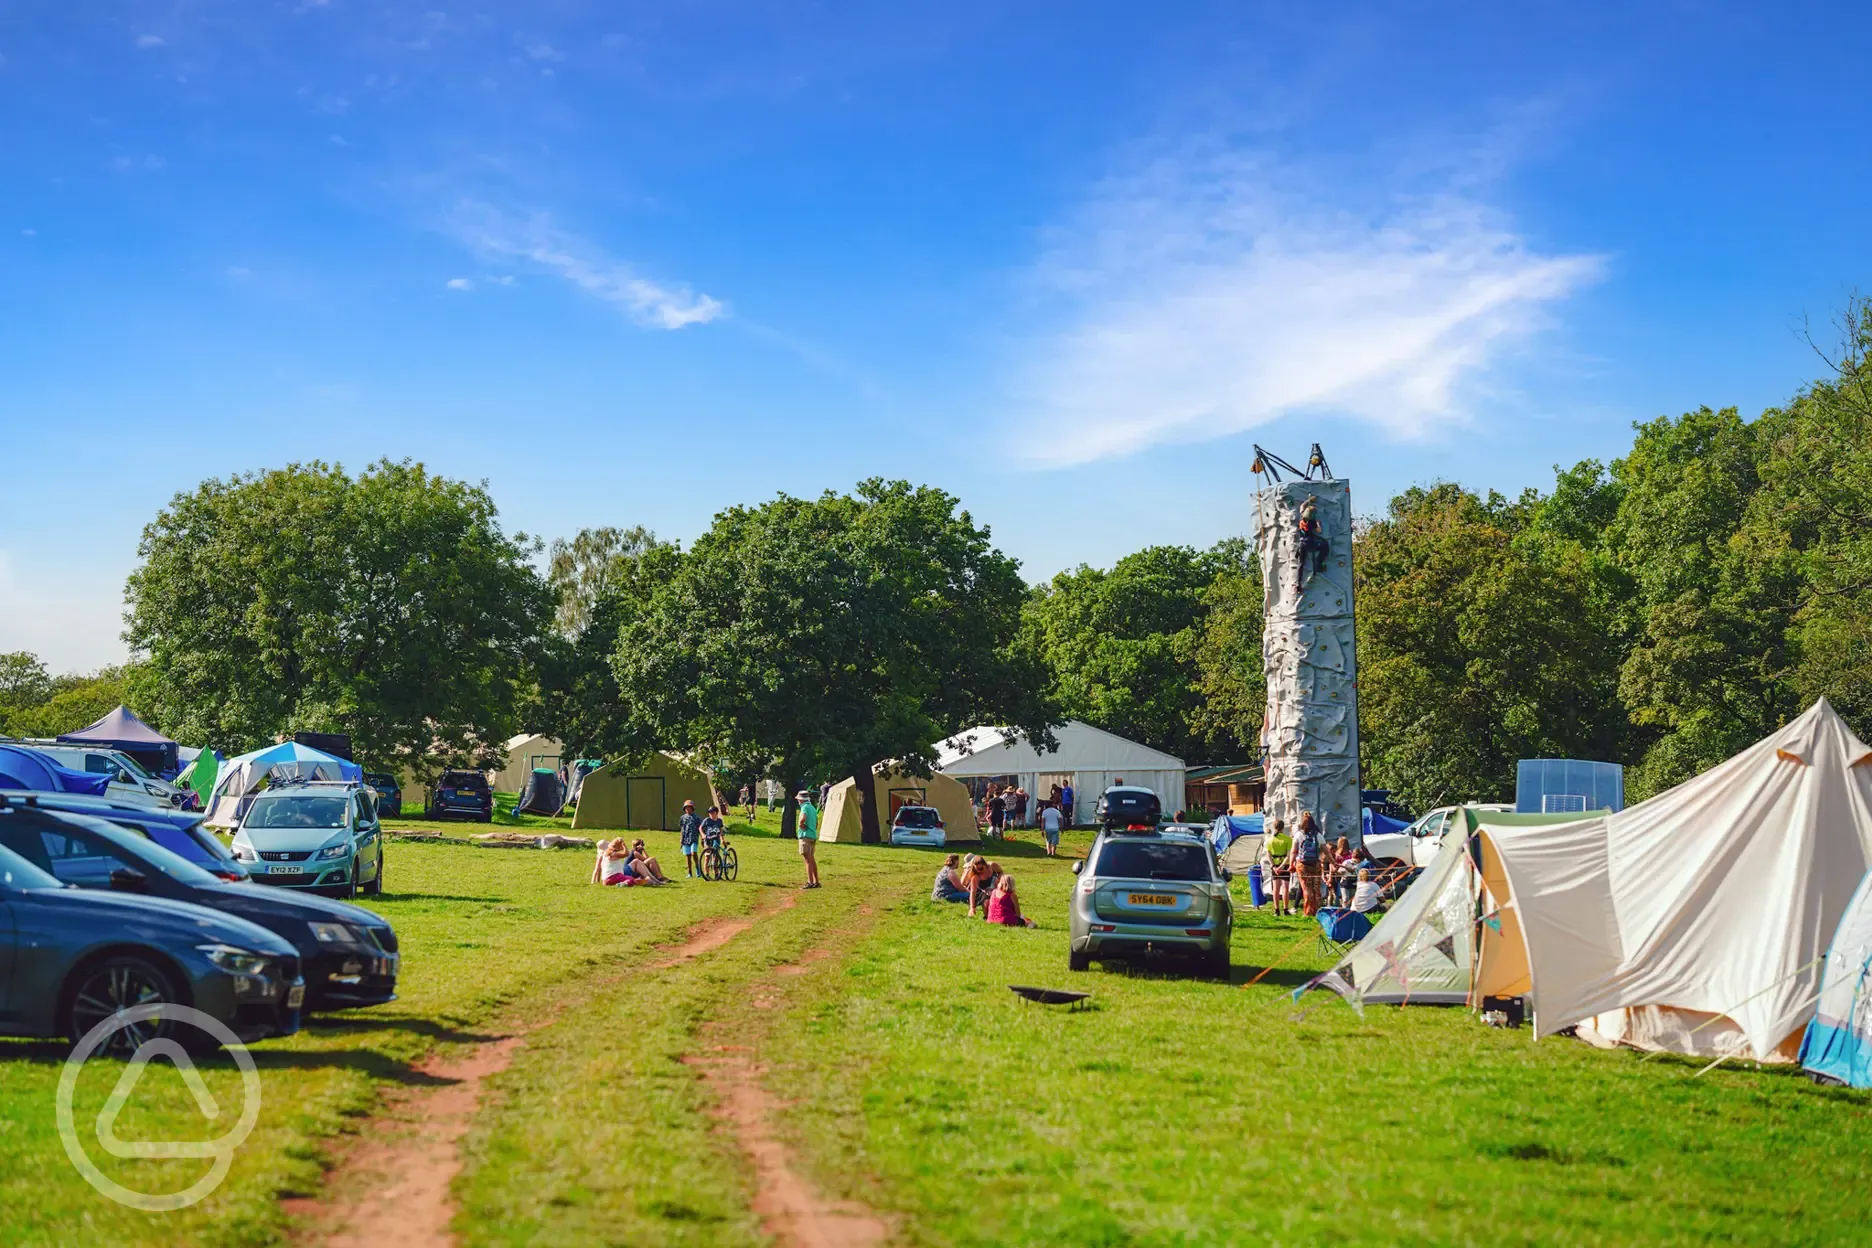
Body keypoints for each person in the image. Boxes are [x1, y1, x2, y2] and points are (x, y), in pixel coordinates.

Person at [1295, 812, 1326, 917]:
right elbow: (1326, 851)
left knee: (1307, 889)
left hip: (1302, 865)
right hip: (1316, 864)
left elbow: (1293, 851)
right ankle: (1318, 911)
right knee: (1316, 888)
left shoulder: (1299, 835)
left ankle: (1308, 912)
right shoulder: (1318, 835)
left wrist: (1291, 864)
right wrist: (1333, 862)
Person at [1263, 818, 1292, 916]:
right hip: (1284, 864)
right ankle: (1286, 909)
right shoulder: (1288, 839)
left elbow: (1268, 854)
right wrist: (1282, 865)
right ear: (1283, 828)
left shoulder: (1269, 840)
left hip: (1274, 864)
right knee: (1286, 888)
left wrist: (1273, 866)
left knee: (1275, 888)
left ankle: (1276, 910)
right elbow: (1289, 855)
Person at [795, 788, 822, 889]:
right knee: (812, 859)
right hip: (812, 835)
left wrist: (801, 825)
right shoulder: (813, 808)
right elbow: (816, 824)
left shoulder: (804, 808)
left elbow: (803, 819)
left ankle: (810, 882)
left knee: (807, 860)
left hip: (805, 836)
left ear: (801, 800)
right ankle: (816, 881)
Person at [678, 799, 703, 878]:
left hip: (694, 838)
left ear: (692, 808)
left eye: (689, 807)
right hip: (685, 839)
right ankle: (689, 873)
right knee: (688, 856)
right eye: (686, 807)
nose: (687, 809)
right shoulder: (682, 818)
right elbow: (682, 829)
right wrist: (681, 840)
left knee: (693, 853)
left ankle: (698, 869)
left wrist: (702, 837)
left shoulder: (696, 818)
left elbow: (700, 827)